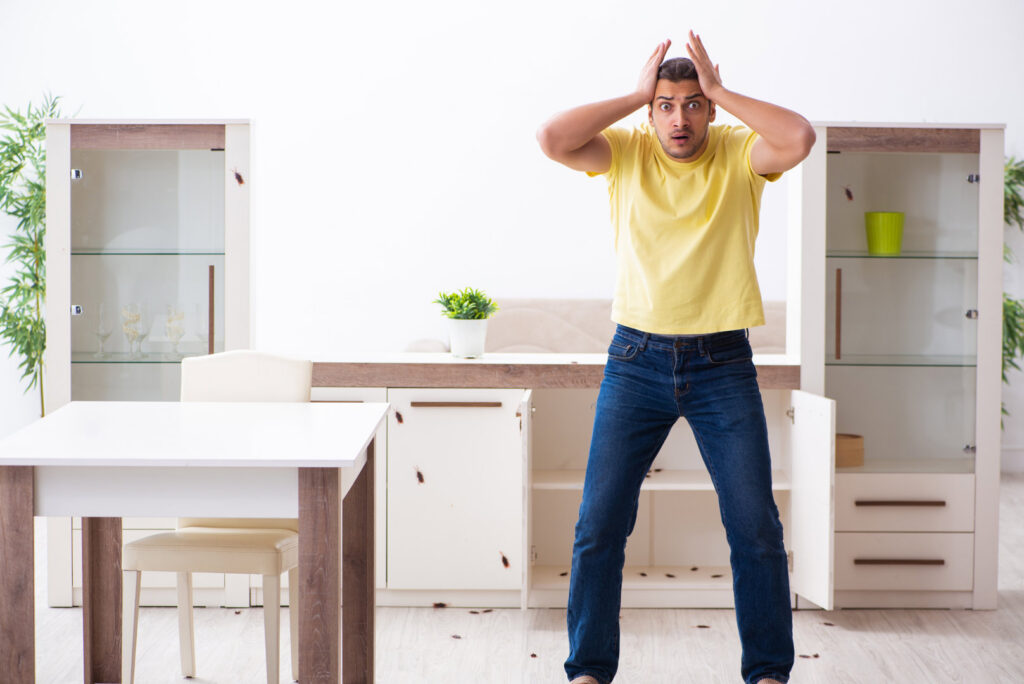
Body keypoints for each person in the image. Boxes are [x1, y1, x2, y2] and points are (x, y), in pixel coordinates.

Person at [535, 31, 816, 684]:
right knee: (599, 527)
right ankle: (588, 671)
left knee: (755, 529)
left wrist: (722, 89)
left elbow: (799, 138)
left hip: (724, 365)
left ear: (710, 110)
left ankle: (769, 672)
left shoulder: (744, 153)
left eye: (693, 104)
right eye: (665, 104)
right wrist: (635, 92)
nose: (680, 118)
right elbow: (552, 138)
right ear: (650, 113)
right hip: (635, 360)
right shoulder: (624, 152)